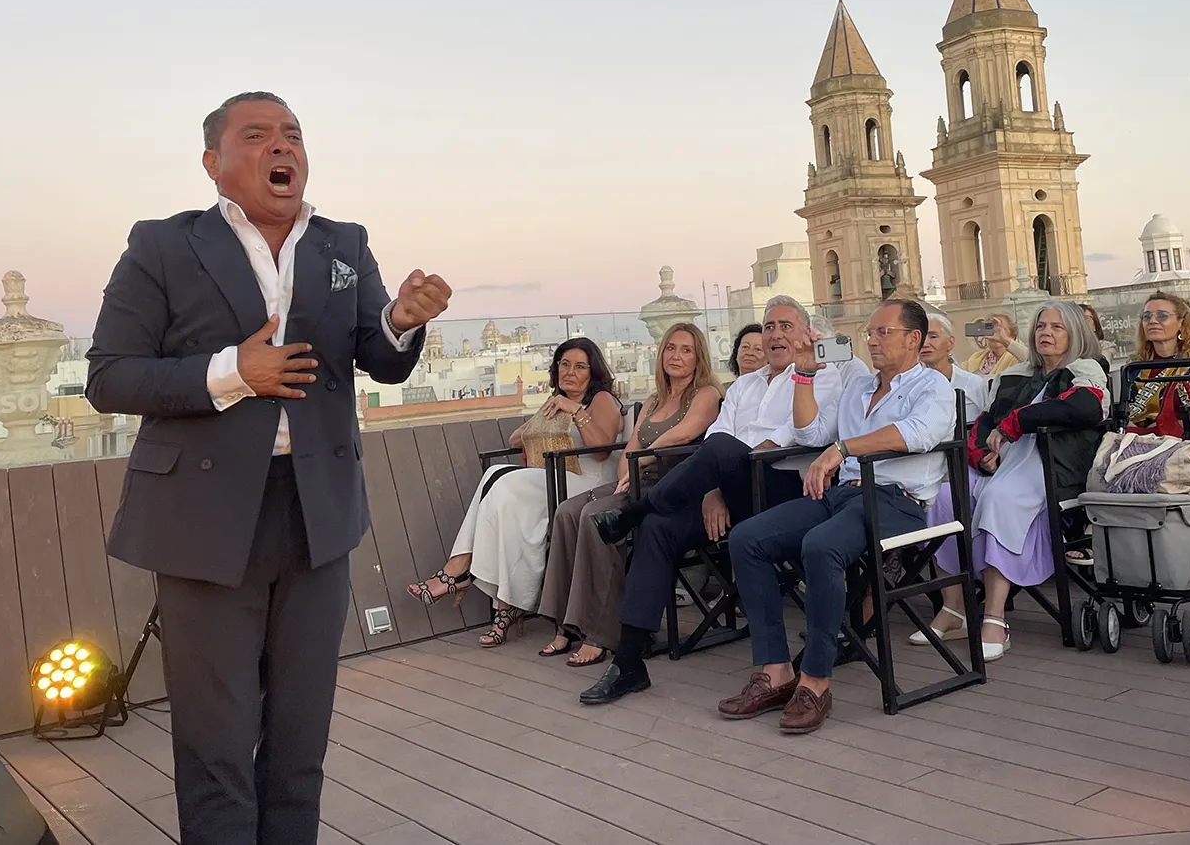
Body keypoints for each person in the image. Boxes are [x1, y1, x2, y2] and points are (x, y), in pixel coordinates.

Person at [86, 92, 447, 845]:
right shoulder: (163, 245)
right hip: (204, 518)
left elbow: (377, 357)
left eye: (292, 134)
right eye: (256, 135)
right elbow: (109, 376)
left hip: (318, 514)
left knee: (300, 740)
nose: (281, 145)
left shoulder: (343, 244)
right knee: (216, 744)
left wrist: (400, 322)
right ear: (213, 163)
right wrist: (232, 372)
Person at [578, 296, 843, 705]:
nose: (775, 334)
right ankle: (628, 662)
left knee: (721, 451)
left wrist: (729, 464)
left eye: (786, 326)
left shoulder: (821, 375)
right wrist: (711, 491)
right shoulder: (745, 385)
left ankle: (633, 510)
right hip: (731, 489)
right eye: (768, 326)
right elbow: (719, 436)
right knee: (658, 528)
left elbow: (800, 437)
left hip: (786, 490)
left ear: (806, 334)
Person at [719, 298, 954, 734]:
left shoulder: (932, 386)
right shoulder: (858, 387)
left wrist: (842, 450)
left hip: (895, 500)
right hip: (842, 494)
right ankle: (776, 670)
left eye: (883, 332)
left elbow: (917, 433)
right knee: (747, 539)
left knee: (820, 545)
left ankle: (815, 681)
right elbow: (810, 431)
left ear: (913, 339)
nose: (872, 340)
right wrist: (805, 374)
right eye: (870, 333)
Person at [409, 338, 622, 646]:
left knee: (503, 483)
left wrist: (576, 411)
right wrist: (542, 421)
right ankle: (503, 603)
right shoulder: (556, 401)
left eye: (579, 367)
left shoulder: (601, 399)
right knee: (499, 485)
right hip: (556, 479)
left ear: (593, 372)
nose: (570, 372)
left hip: (589, 484)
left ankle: (460, 573)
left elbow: (602, 450)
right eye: (564, 364)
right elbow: (514, 439)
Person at [536, 323, 721, 666]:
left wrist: (639, 462)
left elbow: (683, 435)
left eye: (686, 350)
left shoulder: (706, 394)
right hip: (636, 479)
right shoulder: (653, 400)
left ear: (699, 358)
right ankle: (566, 624)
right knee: (567, 512)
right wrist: (626, 473)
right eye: (670, 348)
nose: (676, 356)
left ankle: (602, 633)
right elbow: (631, 446)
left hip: (672, 487)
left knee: (597, 518)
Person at [967, 302, 1109, 661]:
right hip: (1003, 463)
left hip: (1051, 466)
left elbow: (1083, 408)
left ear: (1075, 333)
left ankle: (994, 617)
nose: (1046, 332)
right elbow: (986, 420)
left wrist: (1016, 422)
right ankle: (954, 608)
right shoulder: (1016, 374)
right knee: (946, 495)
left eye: (1057, 327)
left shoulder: (1085, 369)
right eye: (1041, 326)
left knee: (1001, 498)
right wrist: (980, 454)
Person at [910, 312, 988, 645]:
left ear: (951, 343)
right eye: (922, 336)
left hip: (964, 468)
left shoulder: (973, 385)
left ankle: (952, 605)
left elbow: (985, 433)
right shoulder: (906, 385)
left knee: (941, 498)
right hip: (919, 467)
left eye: (934, 336)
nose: (926, 343)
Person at [1125, 292, 1190, 445]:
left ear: (1181, 323)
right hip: (1137, 441)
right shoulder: (1134, 365)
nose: (1152, 321)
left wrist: (1156, 430)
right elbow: (1125, 412)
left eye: (1162, 316)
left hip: (1188, 443)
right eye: (1147, 317)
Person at [727, 323, 766, 388]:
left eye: (758, 349)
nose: (750, 353)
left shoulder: (773, 390)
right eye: (745, 347)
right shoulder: (724, 390)